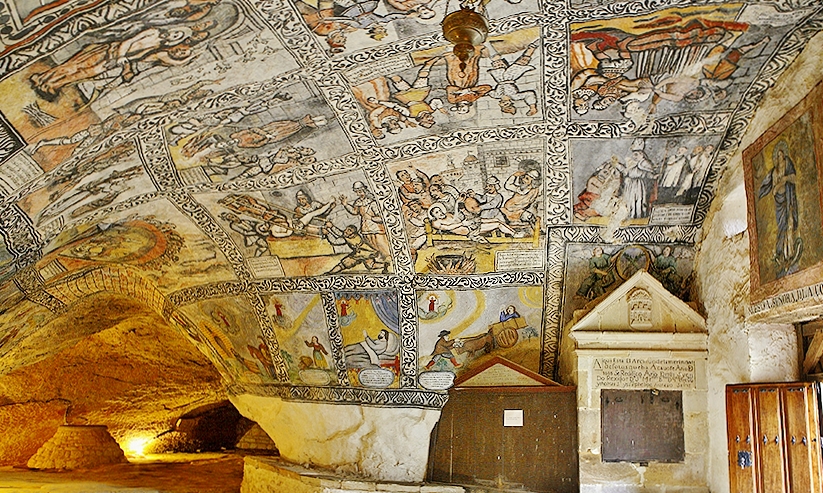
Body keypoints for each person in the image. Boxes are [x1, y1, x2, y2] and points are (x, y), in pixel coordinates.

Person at [759, 140, 801, 277]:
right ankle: (782, 254)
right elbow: (768, 185)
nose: (779, 157)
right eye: (777, 155)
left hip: (788, 199)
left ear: (784, 155)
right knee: (781, 225)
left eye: (781, 154)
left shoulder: (788, 164)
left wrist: (785, 179)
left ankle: (789, 252)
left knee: (789, 223)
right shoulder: (774, 171)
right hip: (779, 202)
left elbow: (794, 177)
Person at [322, 223, 388, 273]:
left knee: (344, 263)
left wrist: (328, 233)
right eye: (346, 229)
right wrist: (331, 227)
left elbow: (336, 241)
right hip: (365, 253)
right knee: (370, 265)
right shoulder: (350, 236)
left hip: (362, 253)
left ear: (353, 234)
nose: (345, 231)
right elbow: (340, 233)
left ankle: (330, 273)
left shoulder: (350, 238)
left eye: (349, 230)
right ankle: (384, 265)